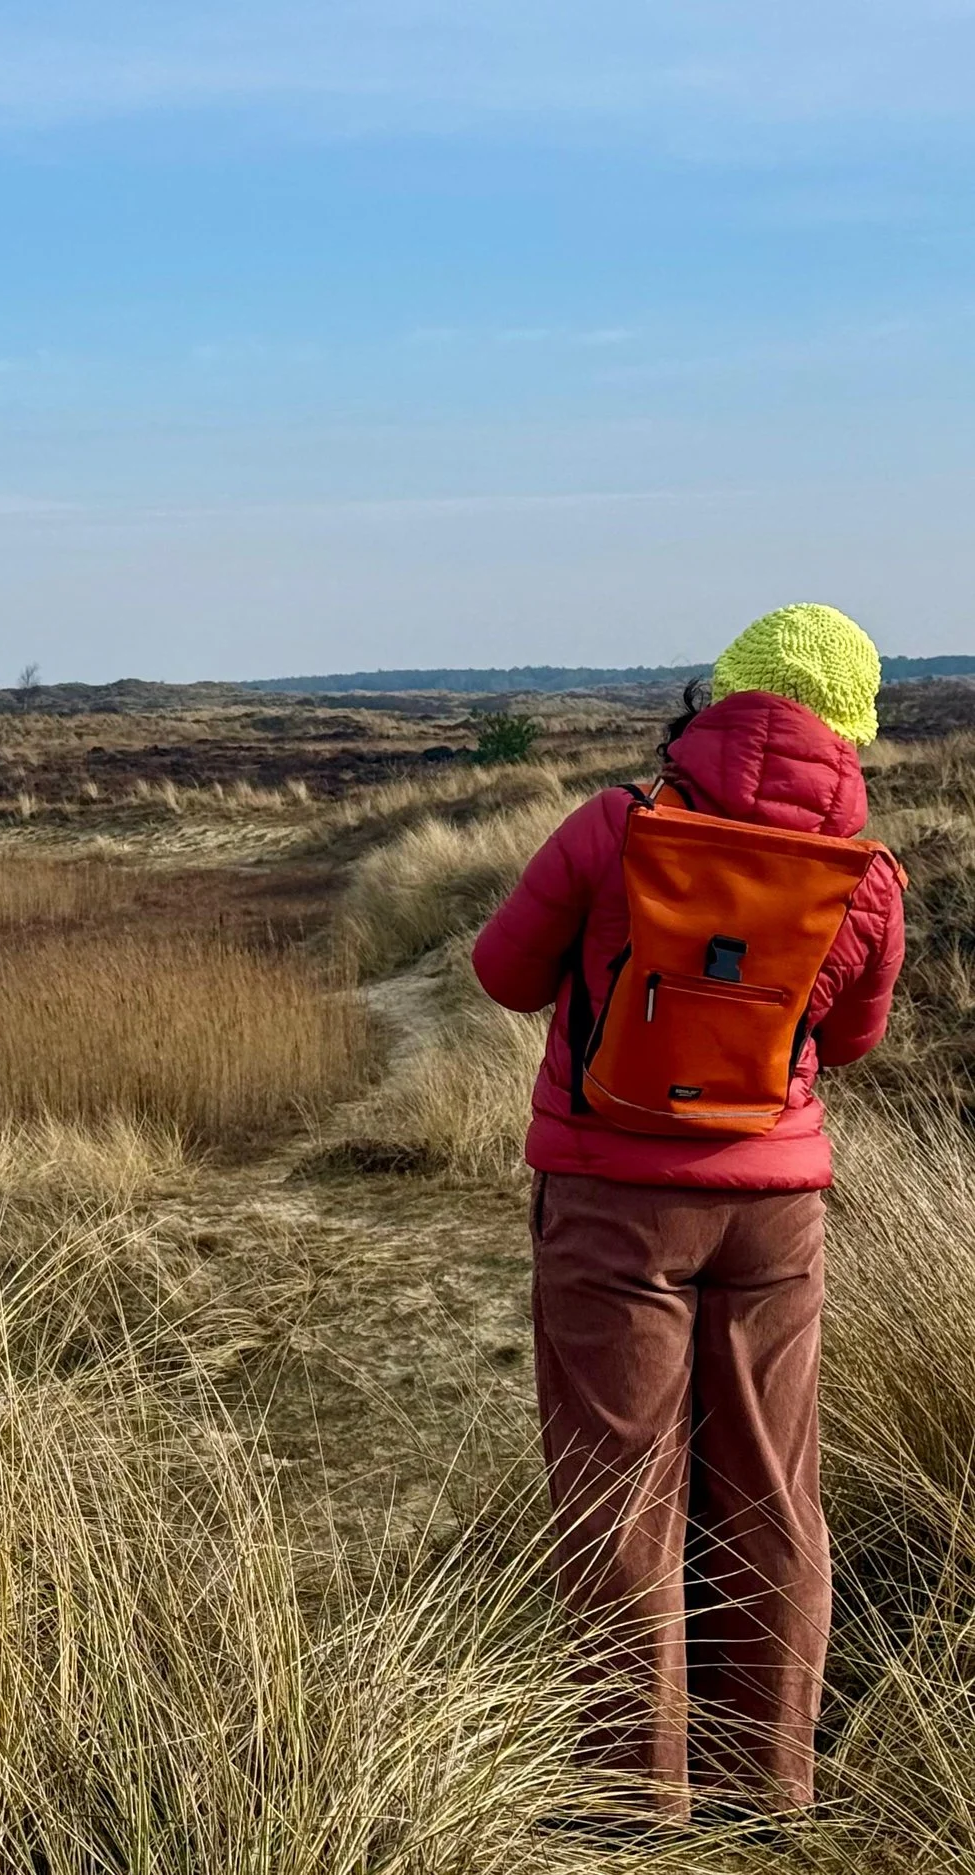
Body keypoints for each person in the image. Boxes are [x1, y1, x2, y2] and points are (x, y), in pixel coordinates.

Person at [471, 603, 907, 1821]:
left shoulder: (615, 826)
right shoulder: (866, 876)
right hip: (775, 1215)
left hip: (612, 1202)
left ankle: (635, 1808)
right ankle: (766, 1792)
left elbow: (502, 973)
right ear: (846, 731)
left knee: (620, 1500)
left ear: (718, 701)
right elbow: (850, 1043)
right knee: (772, 1493)